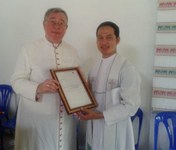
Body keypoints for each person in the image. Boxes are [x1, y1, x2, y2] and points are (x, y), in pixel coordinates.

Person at [11, 7, 79, 150]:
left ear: (66, 28)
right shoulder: (28, 49)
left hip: (65, 117)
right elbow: (16, 81)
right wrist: (38, 87)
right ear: (44, 24)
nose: (57, 26)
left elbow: (75, 81)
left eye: (62, 23)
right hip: (37, 117)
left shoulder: (73, 51)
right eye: (52, 21)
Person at [77, 21, 141, 150]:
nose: (104, 42)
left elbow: (131, 106)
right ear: (96, 41)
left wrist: (99, 115)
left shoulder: (127, 68)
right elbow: (89, 98)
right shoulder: (94, 68)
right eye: (100, 38)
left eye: (109, 37)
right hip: (95, 126)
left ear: (117, 40)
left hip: (116, 127)